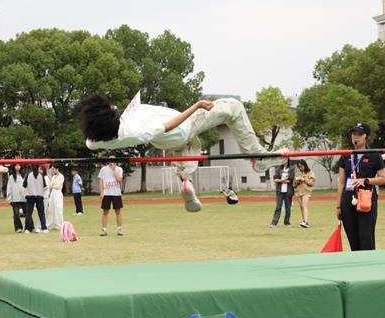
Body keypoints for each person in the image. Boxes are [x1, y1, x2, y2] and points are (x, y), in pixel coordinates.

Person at [80, 93, 279, 213]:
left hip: (167, 141)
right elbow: (170, 125)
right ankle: (259, 158)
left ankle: (185, 180)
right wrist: (197, 106)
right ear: (108, 120)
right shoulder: (137, 131)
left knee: (187, 145)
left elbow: (90, 141)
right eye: (111, 108)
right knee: (233, 107)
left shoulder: (96, 139)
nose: (114, 106)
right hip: (180, 127)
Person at [336, 123, 385, 251]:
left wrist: (366, 180)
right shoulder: (345, 155)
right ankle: (356, 262)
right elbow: (341, 182)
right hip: (348, 200)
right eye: (354, 134)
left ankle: (368, 263)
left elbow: (384, 179)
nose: (356, 137)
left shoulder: (374, 155)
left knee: (366, 239)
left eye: (360, 134)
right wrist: (338, 206)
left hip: (366, 200)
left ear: (366, 137)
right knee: (353, 240)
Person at [98, 158, 124, 236]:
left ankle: (119, 229)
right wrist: (101, 192)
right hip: (106, 193)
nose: (112, 161)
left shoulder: (119, 169)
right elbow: (100, 181)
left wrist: (114, 169)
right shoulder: (103, 169)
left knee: (118, 212)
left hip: (116, 193)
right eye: (110, 159)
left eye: (113, 160)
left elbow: (119, 179)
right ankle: (104, 230)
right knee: (105, 212)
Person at [23, 165, 49, 234]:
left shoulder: (28, 175)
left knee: (28, 213)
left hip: (30, 196)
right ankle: (44, 228)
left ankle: (27, 229)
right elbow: (45, 187)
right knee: (41, 213)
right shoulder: (41, 175)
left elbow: (24, 185)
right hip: (39, 196)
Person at [270, 158, 295, 228]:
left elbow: (290, 179)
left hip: (288, 191)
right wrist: (283, 180)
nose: (284, 162)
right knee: (278, 207)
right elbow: (275, 179)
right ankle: (274, 223)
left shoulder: (291, 169)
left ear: (288, 161)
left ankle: (287, 223)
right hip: (279, 191)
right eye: (282, 160)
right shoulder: (278, 169)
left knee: (288, 208)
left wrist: (280, 180)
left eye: (285, 160)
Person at [294, 159, 316, 228]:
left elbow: (311, 183)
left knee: (304, 206)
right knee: (301, 207)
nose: (300, 168)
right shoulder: (298, 173)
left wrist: (304, 179)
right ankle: (304, 221)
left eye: (301, 166)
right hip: (299, 192)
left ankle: (306, 222)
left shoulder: (310, 172)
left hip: (306, 191)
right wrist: (297, 181)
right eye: (299, 167)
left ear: (304, 165)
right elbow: (294, 185)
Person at [6, 164, 26, 233]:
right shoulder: (11, 177)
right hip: (15, 198)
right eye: (16, 166)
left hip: (24, 197)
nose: (17, 167)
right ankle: (18, 228)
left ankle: (29, 227)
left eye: (19, 165)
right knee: (16, 214)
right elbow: (9, 187)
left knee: (27, 213)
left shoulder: (24, 176)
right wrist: (10, 198)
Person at [47, 166, 65, 230]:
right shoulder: (53, 177)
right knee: (51, 208)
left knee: (58, 208)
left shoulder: (61, 176)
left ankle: (60, 224)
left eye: (54, 169)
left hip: (58, 193)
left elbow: (58, 186)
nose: (53, 170)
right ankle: (50, 224)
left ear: (57, 169)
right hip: (53, 193)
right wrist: (53, 185)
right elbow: (50, 185)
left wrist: (53, 185)